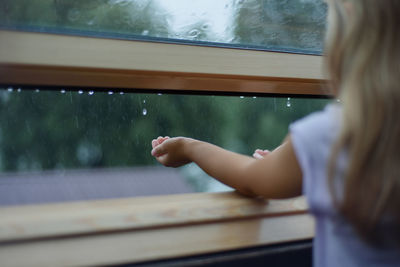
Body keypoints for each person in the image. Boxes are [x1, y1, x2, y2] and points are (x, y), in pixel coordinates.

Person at [151, 0, 400, 266]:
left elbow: (251, 179)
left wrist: (189, 148)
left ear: (348, 47)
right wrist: (296, 165)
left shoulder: (332, 135)